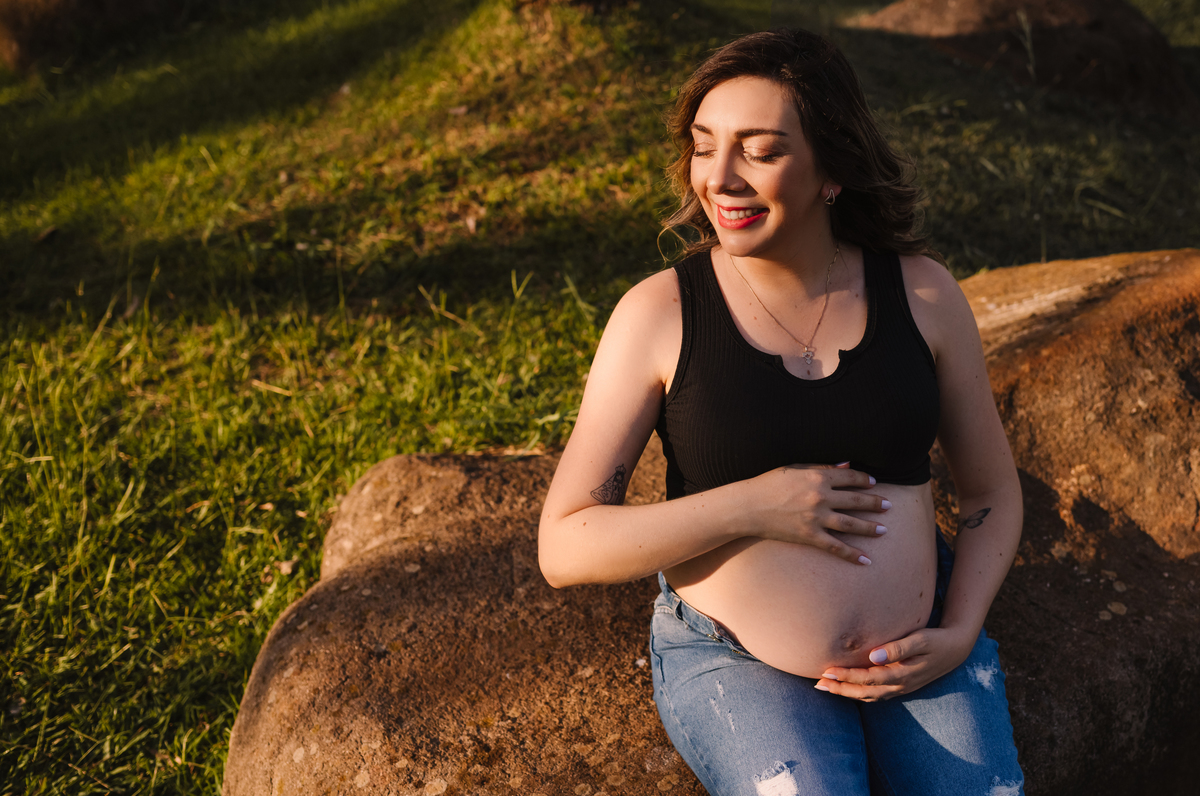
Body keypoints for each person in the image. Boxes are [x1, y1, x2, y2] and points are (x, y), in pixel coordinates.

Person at [538, 27, 1025, 796]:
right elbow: (565, 545)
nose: (720, 179)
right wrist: (756, 506)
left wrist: (958, 630)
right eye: (704, 147)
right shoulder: (661, 313)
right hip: (736, 657)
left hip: (921, 648)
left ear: (832, 168)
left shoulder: (924, 293)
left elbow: (992, 494)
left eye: (759, 151)